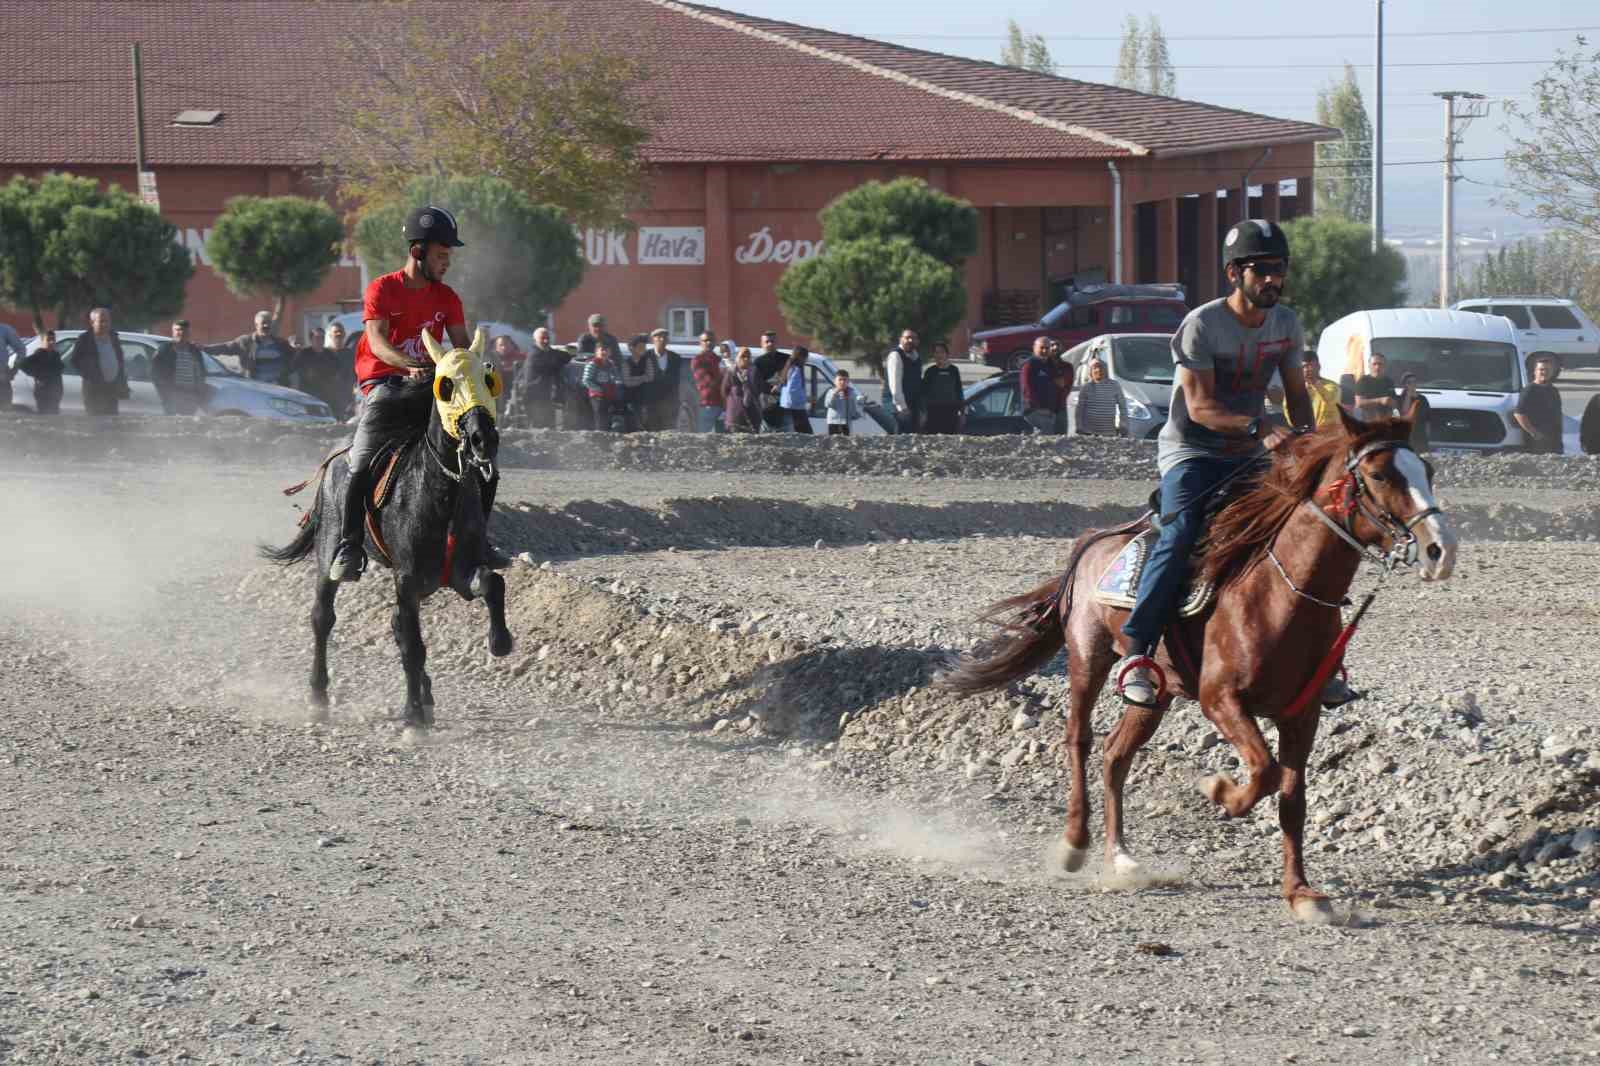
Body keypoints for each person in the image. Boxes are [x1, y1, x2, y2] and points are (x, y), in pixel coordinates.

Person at [1116, 219, 1321, 709]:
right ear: (1234, 273)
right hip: (1193, 451)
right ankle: (1137, 650)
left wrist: (1311, 446)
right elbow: (1203, 408)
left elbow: (1297, 396)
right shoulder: (1202, 325)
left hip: (1252, 452)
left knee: (1304, 528)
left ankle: (1313, 654)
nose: (1273, 279)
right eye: (1262, 270)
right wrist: (1261, 429)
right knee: (1183, 529)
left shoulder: (1287, 324)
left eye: (1280, 269)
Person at [329, 204, 482, 582]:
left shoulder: (448, 297)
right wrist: (406, 365)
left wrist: (476, 373)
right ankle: (349, 546)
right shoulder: (382, 289)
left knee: (475, 452)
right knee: (360, 463)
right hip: (385, 386)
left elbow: (461, 349)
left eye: (449, 257)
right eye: (441, 255)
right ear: (418, 252)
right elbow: (377, 343)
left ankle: (475, 541)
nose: (447, 263)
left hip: (429, 387)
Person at [70, 307, 128, 416]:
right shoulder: (84, 339)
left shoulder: (114, 337)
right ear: (92, 322)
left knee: (112, 423)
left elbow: (119, 359)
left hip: (111, 389)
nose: (105, 324)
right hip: (94, 391)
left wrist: (122, 381)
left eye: (107, 321)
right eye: (101, 321)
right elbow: (74, 361)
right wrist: (90, 376)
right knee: (95, 425)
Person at [209, 310, 294, 384]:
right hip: (254, 387)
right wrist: (203, 348)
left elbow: (296, 357)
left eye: (268, 323)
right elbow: (224, 347)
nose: (266, 326)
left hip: (277, 390)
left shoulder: (281, 344)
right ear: (256, 325)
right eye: (263, 323)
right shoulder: (245, 342)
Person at [507, 326, 566, 429]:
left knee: (549, 425)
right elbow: (550, 365)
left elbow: (560, 356)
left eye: (547, 338)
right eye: (542, 338)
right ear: (535, 340)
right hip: (533, 397)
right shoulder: (534, 355)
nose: (546, 340)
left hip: (545, 395)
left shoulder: (547, 352)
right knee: (539, 426)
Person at [152, 319, 209, 415]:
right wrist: (165, 393)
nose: (181, 333)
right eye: (178, 330)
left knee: (186, 426)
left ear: (189, 333)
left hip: (190, 397)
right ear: (173, 332)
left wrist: (199, 393)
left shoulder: (195, 351)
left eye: (185, 330)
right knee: (171, 425)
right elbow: (155, 373)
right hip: (172, 395)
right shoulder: (164, 350)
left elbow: (201, 373)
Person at [1513, 353, 1564, 454]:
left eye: (1548, 370)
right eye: (1541, 369)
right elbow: (1518, 414)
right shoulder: (1529, 390)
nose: (1544, 372)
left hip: (1554, 441)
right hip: (1536, 443)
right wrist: (1534, 433)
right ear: (1535, 372)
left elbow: (1557, 414)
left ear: (1552, 372)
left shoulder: (1553, 390)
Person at [1020, 337, 1070, 434]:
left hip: (1051, 411)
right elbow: (1027, 389)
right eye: (1041, 348)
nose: (1044, 351)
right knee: (1046, 439)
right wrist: (1039, 407)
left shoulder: (1050, 364)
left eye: (1047, 348)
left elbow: (1061, 383)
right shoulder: (1029, 365)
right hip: (1035, 411)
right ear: (1034, 348)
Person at [1074, 357, 1129, 437]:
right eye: (1094, 368)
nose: (1098, 370)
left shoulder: (1114, 385)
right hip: (1088, 432)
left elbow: (1123, 407)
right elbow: (1079, 409)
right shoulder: (1086, 387)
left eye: (1100, 367)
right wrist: (1079, 426)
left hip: (1108, 433)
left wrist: (1123, 425)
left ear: (1105, 370)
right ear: (1090, 372)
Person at [14, 328, 64, 414]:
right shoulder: (39, 353)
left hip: (55, 390)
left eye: (53, 340)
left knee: (54, 414)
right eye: (48, 340)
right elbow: (22, 364)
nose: (51, 342)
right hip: (43, 391)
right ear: (43, 341)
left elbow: (58, 371)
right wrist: (37, 375)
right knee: (44, 414)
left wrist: (59, 389)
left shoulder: (56, 355)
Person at [883, 328, 924, 433]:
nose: (910, 340)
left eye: (913, 338)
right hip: (898, 407)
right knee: (900, 440)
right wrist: (902, 407)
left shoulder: (916, 357)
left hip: (912, 405)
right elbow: (895, 385)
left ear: (917, 341)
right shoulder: (895, 356)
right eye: (907, 338)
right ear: (900, 339)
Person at [920, 341, 965, 434]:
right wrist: (923, 412)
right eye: (936, 352)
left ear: (947, 354)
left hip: (951, 412)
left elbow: (959, 390)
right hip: (933, 412)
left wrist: (962, 411)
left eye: (941, 352)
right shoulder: (930, 372)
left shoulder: (954, 370)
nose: (939, 355)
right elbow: (923, 393)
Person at [647, 328, 685, 431]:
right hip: (651, 404)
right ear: (653, 340)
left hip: (670, 404)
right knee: (652, 434)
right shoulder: (645, 357)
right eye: (659, 337)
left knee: (669, 434)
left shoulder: (675, 358)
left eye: (664, 337)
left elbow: (679, 380)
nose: (662, 339)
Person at [582, 340, 624, 431]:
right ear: (596, 351)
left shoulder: (611, 364)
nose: (604, 352)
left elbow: (617, 377)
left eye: (606, 350)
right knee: (601, 420)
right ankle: (599, 438)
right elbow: (586, 380)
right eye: (601, 350)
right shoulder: (592, 363)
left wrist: (617, 384)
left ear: (610, 352)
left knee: (610, 420)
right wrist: (599, 390)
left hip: (610, 395)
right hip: (597, 396)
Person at [721, 347, 766, 432]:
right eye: (743, 356)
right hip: (734, 419)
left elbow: (758, 390)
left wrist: (750, 374)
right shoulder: (731, 372)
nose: (746, 359)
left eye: (748, 356)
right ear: (737, 358)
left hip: (752, 419)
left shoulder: (754, 372)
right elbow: (724, 391)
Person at [620, 334, 657, 432]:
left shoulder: (647, 360)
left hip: (645, 396)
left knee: (646, 422)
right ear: (632, 348)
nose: (643, 349)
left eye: (644, 347)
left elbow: (650, 377)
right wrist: (642, 378)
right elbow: (627, 382)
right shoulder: (626, 363)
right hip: (630, 398)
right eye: (640, 347)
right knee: (632, 423)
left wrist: (635, 379)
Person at [753, 330, 788, 431]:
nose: (770, 344)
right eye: (767, 341)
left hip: (785, 408)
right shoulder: (758, 362)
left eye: (772, 341)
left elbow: (792, 378)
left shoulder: (786, 359)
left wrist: (780, 385)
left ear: (777, 343)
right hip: (765, 409)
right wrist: (771, 388)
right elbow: (756, 383)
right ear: (761, 344)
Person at [690, 331, 724, 433]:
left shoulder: (719, 359)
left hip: (722, 405)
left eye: (711, 340)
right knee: (704, 441)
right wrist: (724, 373)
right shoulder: (697, 360)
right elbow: (707, 382)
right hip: (706, 405)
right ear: (700, 343)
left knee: (722, 441)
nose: (708, 343)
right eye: (705, 340)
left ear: (715, 342)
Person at [1352, 349, 1397, 421]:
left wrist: (1392, 402)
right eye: (1374, 364)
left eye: (1380, 364)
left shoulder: (1389, 382)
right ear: (1369, 366)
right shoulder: (1363, 381)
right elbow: (1359, 403)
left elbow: (1394, 401)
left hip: (1385, 421)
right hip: (1367, 421)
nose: (1377, 367)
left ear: (1385, 366)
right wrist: (1380, 400)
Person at [775, 347, 812, 433]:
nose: (806, 360)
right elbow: (792, 390)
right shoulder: (796, 370)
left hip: (787, 406)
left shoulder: (789, 368)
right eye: (806, 357)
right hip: (795, 407)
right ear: (801, 357)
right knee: (807, 435)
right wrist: (805, 399)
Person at [1301, 352, 1342, 429]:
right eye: (1303, 367)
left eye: (1310, 366)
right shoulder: (1298, 390)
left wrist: (1314, 382)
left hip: (1330, 433)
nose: (1306, 370)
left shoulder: (1332, 386)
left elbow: (1330, 400)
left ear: (1318, 367)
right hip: (1308, 434)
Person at [1397, 371, 1430, 452]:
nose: (1412, 384)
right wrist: (1408, 395)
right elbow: (1404, 411)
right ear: (1404, 385)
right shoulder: (1401, 398)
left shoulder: (1422, 399)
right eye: (1409, 383)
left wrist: (1427, 435)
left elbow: (1428, 418)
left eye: (1414, 382)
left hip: (1421, 435)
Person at [823, 369, 859, 436]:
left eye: (845, 380)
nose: (842, 382)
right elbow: (827, 404)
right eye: (840, 379)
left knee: (846, 440)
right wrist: (835, 393)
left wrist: (854, 414)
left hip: (846, 421)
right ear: (835, 381)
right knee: (833, 440)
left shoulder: (851, 392)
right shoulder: (831, 391)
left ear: (848, 382)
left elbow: (853, 405)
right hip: (834, 422)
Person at [0, 321, 25, 410]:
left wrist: (15, 369)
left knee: (5, 413)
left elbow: (21, 349)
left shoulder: (4, 330)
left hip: (2, 378)